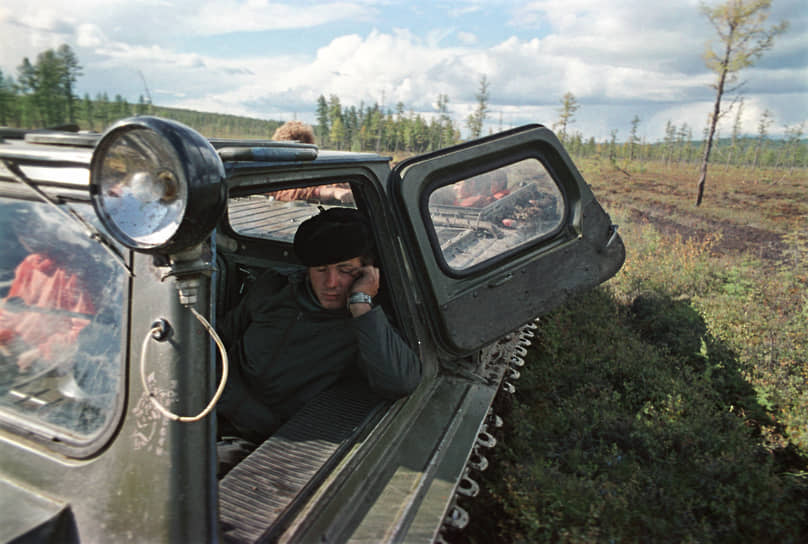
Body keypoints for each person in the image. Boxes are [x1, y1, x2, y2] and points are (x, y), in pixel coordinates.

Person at [216, 208, 421, 453]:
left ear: (367, 272)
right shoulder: (275, 287)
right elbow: (221, 337)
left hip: (269, 438)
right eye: (321, 270)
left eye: (345, 270)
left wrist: (360, 304)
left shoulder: (367, 323)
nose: (331, 282)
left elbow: (399, 382)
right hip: (215, 403)